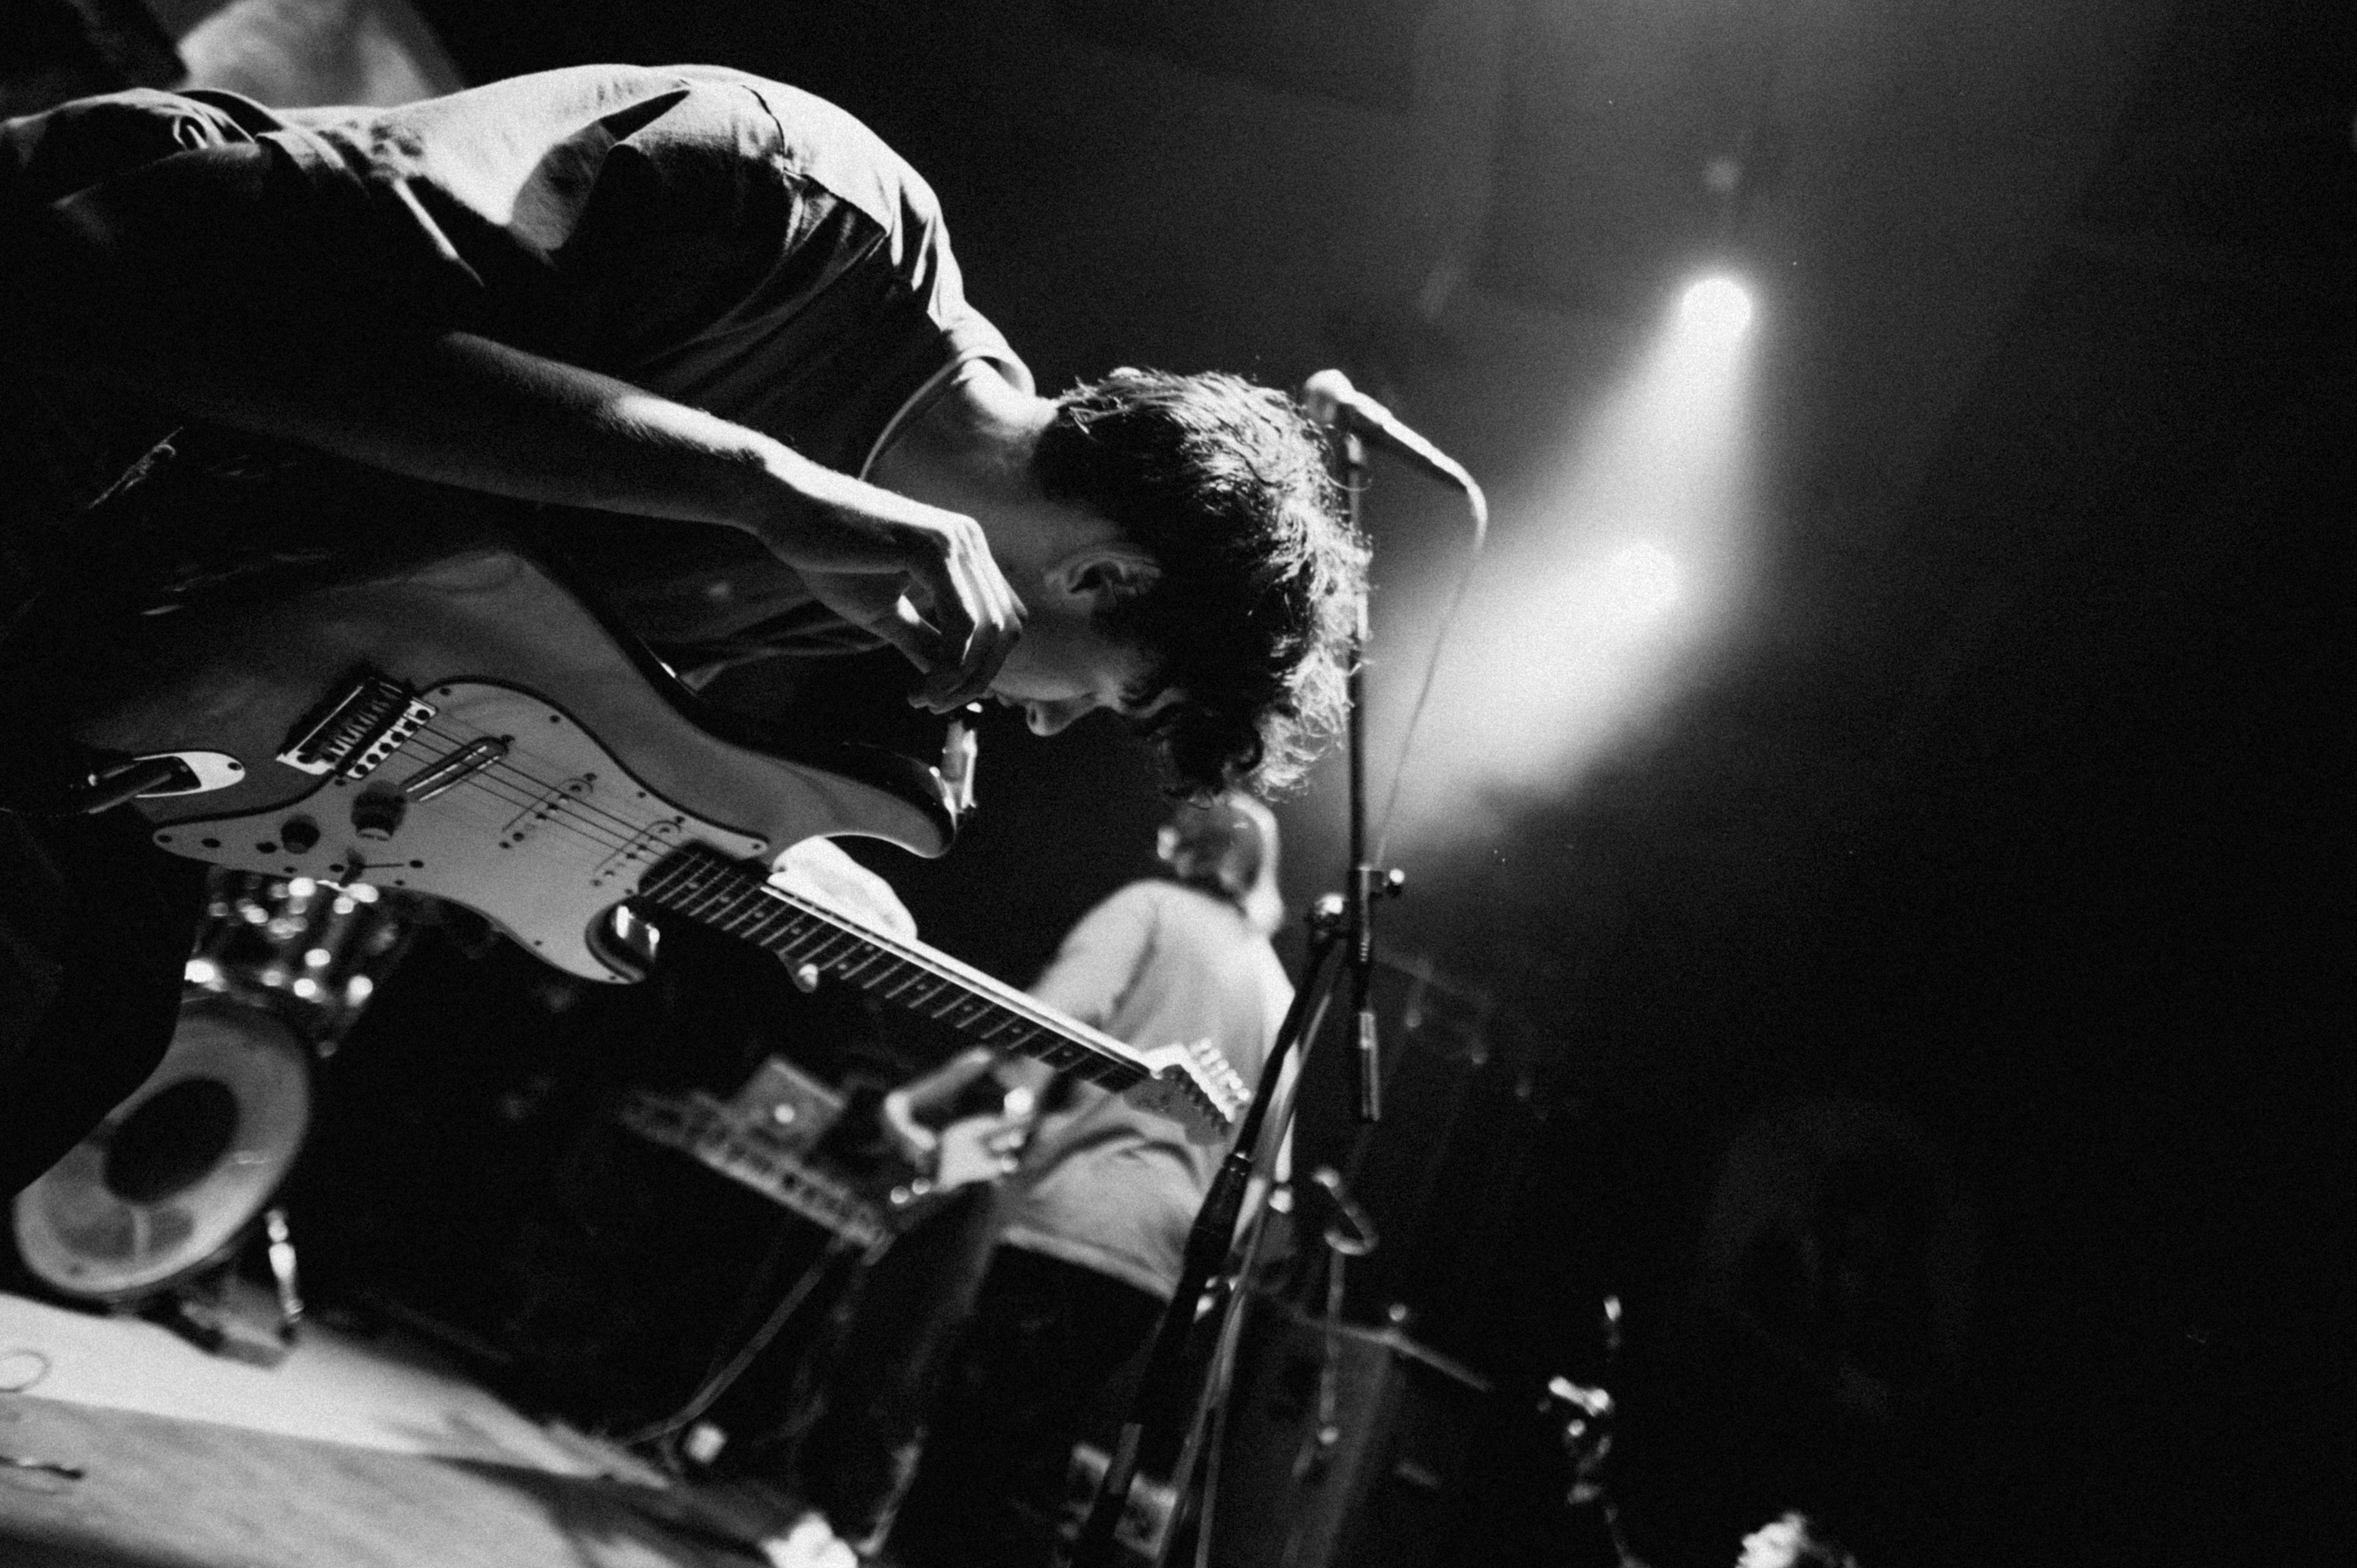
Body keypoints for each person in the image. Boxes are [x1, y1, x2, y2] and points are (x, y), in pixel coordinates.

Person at [0, 65, 1365, 1196]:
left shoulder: (892, 646)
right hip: (58, 410)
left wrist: (764, 854)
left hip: (125, 624)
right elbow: (145, 286)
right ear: (1105, 580)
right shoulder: (799, 212)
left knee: (85, 1027)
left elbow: (542, 690)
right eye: (1106, 700)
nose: (1049, 724)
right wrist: (751, 483)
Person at [821, 791, 1294, 1568]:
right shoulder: (1279, 997)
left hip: (1073, 1215)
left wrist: (996, 1112)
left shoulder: (1151, 908)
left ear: (1185, 848)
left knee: (971, 1453)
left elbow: (1049, 1022)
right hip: (1158, 1264)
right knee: (1034, 1462)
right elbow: (1268, 1176)